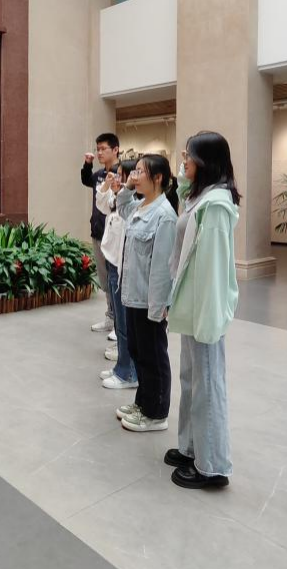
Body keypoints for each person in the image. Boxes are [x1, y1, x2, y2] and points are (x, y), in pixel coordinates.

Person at [163, 132, 240, 489]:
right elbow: (183, 194)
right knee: (192, 380)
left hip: (203, 311)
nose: (184, 162)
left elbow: (212, 270)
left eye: (189, 157)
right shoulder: (201, 197)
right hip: (191, 307)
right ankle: (192, 448)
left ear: (205, 162)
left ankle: (212, 466)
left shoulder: (217, 205)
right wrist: (184, 172)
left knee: (207, 385)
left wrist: (208, 321)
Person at [111, 154, 179, 432]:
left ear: (158, 178)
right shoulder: (141, 206)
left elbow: (163, 268)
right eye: (135, 171)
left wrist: (158, 306)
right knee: (138, 352)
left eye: (140, 172)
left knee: (153, 357)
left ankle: (156, 413)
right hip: (133, 295)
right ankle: (143, 403)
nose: (135, 176)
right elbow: (121, 206)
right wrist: (127, 186)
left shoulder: (164, 216)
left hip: (149, 300)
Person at [96, 159, 138, 389]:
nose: (118, 179)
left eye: (123, 175)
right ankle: (122, 367)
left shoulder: (132, 204)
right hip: (114, 264)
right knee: (121, 323)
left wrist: (124, 189)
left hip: (122, 267)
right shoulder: (120, 200)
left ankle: (128, 372)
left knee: (125, 325)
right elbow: (103, 204)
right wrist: (109, 185)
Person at [81, 133, 121, 333]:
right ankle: (110, 317)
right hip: (97, 231)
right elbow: (86, 180)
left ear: (115, 150)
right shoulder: (98, 175)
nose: (99, 153)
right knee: (105, 280)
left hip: (113, 235)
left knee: (115, 279)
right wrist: (87, 164)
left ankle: (119, 323)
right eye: (98, 149)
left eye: (103, 149)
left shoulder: (120, 174)